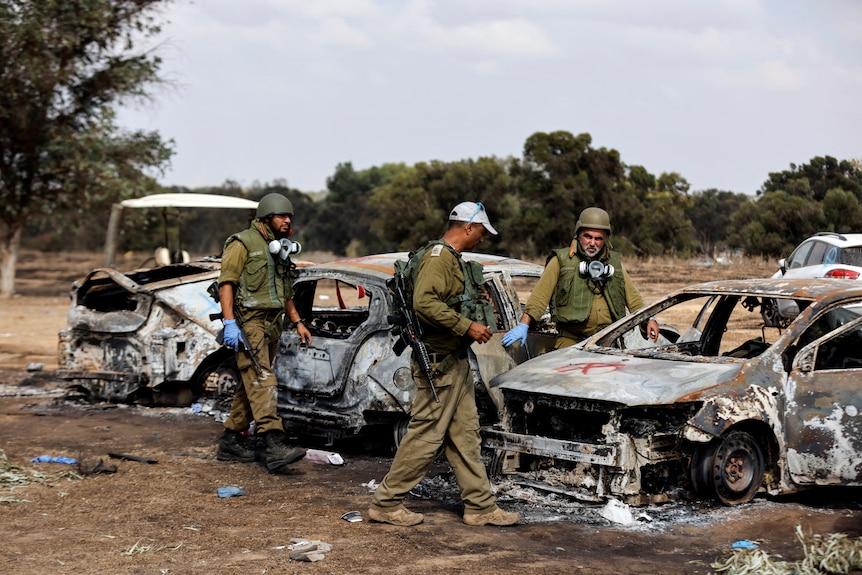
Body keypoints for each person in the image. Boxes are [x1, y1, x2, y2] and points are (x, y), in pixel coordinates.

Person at [368, 202, 520, 527]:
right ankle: (386, 502)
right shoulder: (438, 258)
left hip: (455, 362)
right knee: (426, 435)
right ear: (468, 227)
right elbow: (424, 302)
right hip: (439, 365)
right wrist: (467, 326)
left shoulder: (452, 259)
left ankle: (480, 506)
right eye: (481, 232)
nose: (482, 239)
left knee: (465, 435)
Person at [215, 192, 312, 473]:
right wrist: (230, 322)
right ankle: (273, 442)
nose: (287, 220)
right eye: (282, 216)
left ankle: (231, 440)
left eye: (289, 217)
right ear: (267, 217)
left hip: (273, 323)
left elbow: (285, 291)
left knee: (252, 384)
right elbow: (227, 284)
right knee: (262, 379)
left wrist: (297, 322)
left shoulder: (278, 247)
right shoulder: (242, 243)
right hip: (250, 322)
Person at [502, 206, 658, 350]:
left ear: (605, 240)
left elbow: (634, 298)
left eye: (598, 239)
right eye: (587, 236)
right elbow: (539, 298)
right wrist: (523, 325)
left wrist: (649, 319)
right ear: (578, 234)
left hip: (607, 340)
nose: (592, 243)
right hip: (571, 341)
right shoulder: (561, 261)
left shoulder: (614, 264)